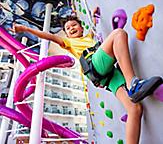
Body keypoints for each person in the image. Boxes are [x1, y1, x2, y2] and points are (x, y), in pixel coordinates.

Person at [10, 16, 162, 144]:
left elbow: (94, 25)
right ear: (67, 36)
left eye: (74, 25)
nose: (71, 29)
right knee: (118, 34)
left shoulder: (89, 37)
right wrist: (25, 29)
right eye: (68, 28)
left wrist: (95, 16)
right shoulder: (69, 43)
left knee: (135, 109)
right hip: (94, 66)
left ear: (81, 28)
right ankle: (132, 84)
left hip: (107, 77)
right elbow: (48, 36)